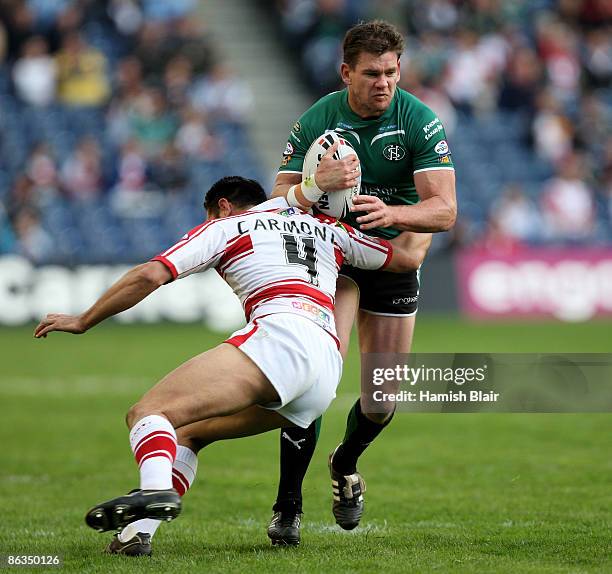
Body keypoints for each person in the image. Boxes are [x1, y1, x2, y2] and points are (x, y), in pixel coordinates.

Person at [34, 175, 427, 556]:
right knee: (188, 434)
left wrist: (84, 320)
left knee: (148, 413)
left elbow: (151, 274)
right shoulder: (328, 228)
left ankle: (154, 490)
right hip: (322, 374)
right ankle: (137, 534)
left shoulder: (227, 226)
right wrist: (416, 220)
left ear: (222, 206)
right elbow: (403, 259)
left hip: (280, 337)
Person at [267, 19, 457, 545]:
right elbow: (279, 199)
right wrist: (315, 185)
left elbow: (444, 211)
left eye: (392, 73)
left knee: (380, 402)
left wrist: (393, 211)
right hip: (338, 264)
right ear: (346, 71)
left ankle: (344, 462)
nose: (385, 83)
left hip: (394, 261)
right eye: (372, 73)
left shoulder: (417, 120)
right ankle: (288, 506)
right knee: (317, 384)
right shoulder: (318, 119)